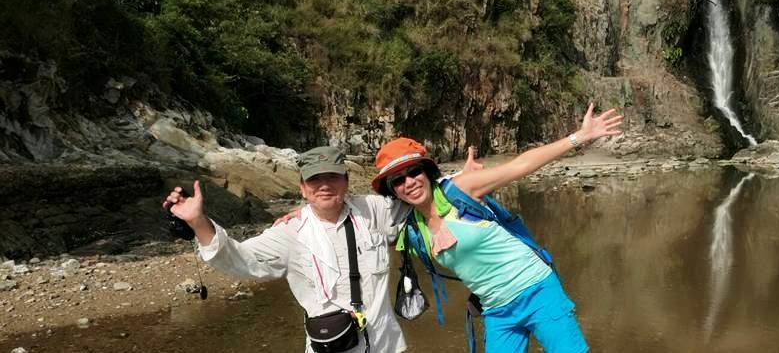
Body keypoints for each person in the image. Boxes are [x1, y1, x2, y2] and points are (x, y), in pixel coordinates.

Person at [371, 104, 622, 353]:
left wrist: (580, 136)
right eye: (398, 180)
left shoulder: (460, 189)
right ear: (392, 191)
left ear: (426, 172)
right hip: (497, 310)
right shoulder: (412, 230)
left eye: (414, 172)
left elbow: (520, 166)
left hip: (537, 290)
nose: (409, 183)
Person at [163, 146, 407, 353]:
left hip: (386, 346)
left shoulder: (372, 211)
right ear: (302, 188)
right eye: (315, 179)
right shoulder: (289, 232)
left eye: (332, 176)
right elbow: (239, 258)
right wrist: (198, 222)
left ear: (346, 182)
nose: (324, 185)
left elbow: (418, 199)